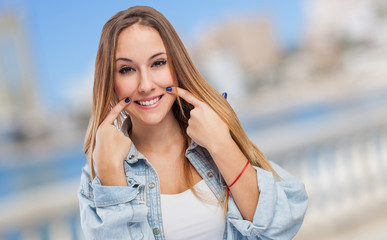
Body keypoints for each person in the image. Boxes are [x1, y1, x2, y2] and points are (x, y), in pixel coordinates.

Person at [78, 5, 308, 240]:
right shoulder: (99, 173)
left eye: (158, 63)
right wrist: (113, 182)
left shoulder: (213, 134)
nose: (145, 85)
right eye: (126, 69)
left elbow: (282, 226)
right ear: (110, 81)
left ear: (177, 67)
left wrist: (221, 145)